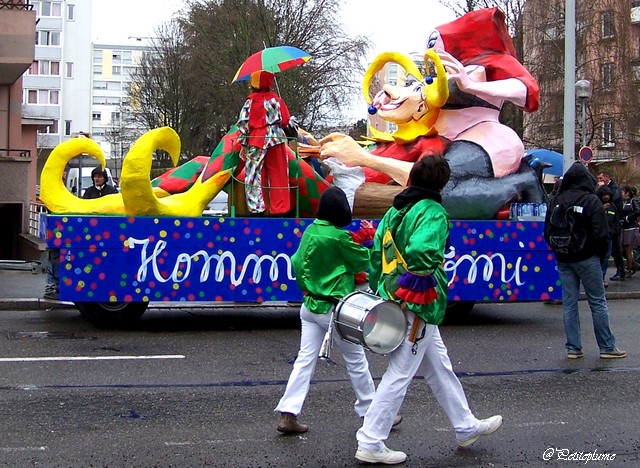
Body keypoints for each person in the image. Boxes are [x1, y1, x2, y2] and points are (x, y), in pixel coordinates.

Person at [354, 156, 502, 465]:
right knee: (400, 372)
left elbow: (377, 256)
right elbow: (422, 252)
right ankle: (370, 440)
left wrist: (387, 288)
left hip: (396, 296)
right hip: (418, 303)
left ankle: (465, 426)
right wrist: (418, 286)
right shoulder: (432, 211)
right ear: (442, 183)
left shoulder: (396, 209)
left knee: (439, 365)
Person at [274, 187, 401, 434]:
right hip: (334, 309)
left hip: (309, 305)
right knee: (356, 360)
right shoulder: (338, 238)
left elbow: (296, 262)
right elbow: (366, 260)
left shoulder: (311, 230)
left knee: (304, 361)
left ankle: (288, 413)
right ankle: (371, 412)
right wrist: (373, 237)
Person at [544, 161, 627, 360]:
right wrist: (597, 255)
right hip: (587, 257)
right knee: (597, 301)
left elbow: (547, 231)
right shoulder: (590, 199)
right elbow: (601, 233)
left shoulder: (556, 199)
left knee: (570, 303)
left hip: (564, 257)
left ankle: (573, 347)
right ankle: (607, 347)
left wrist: (559, 250)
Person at [236, 70, 291, 215]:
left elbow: (243, 124)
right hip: (276, 139)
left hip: (257, 139)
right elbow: (285, 120)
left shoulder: (250, 101)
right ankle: (280, 209)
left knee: (253, 174)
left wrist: (243, 144)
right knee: (279, 173)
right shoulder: (276, 100)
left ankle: (257, 209)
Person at [596, 185, 620, 288]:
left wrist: (614, 232)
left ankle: (602, 278)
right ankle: (595, 278)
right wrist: (601, 209)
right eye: (604, 194)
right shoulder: (596, 205)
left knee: (605, 259)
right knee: (596, 259)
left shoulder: (613, 207)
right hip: (597, 237)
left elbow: (616, 222)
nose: (606, 197)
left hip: (608, 237)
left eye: (608, 195)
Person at [620, 185, 640, 275]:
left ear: (627, 193)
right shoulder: (623, 202)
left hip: (631, 228)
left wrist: (628, 218)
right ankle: (633, 264)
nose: (621, 194)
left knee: (628, 250)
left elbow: (638, 211)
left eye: (622, 192)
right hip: (625, 228)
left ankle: (629, 269)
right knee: (622, 249)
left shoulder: (633, 201)